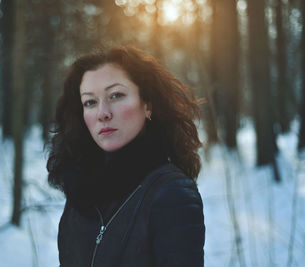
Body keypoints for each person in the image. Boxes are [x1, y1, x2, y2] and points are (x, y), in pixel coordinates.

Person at [47, 46, 205, 267]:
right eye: (90, 102)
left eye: (116, 95)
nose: (103, 113)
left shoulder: (172, 193)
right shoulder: (81, 189)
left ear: (147, 105)